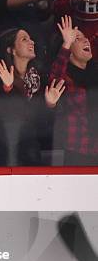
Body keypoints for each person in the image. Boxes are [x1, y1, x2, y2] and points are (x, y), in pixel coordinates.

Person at [0, 27, 66, 166]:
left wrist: (50, 106)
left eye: (30, 38)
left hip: (28, 154)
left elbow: (43, 126)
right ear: (11, 50)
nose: (31, 42)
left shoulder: (38, 79)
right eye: (24, 39)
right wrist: (7, 89)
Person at [49, 14, 98, 165]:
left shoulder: (95, 71)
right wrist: (66, 43)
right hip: (78, 151)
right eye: (77, 39)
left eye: (85, 37)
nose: (85, 40)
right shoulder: (66, 78)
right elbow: (56, 79)